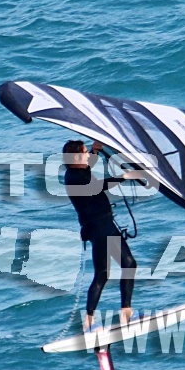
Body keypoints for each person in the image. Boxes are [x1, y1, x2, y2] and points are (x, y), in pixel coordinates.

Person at [62, 139, 141, 330]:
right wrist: (125, 176)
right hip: (101, 227)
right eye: (84, 152)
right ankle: (125, 313)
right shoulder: (74, 178)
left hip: (98, 226)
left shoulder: (76, 171)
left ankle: (90, 321)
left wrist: (95, 150)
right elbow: (97, 186)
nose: (87, 156)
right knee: (127, 264)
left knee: (103, 274)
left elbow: (87, 165)